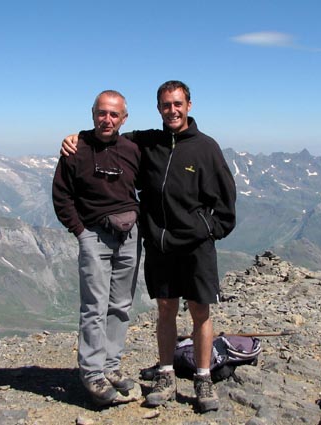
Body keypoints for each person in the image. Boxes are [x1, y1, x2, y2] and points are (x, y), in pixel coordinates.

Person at [61, 80, 236, 412]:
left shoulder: (206, 148)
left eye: (178, 104)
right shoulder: (147, 142)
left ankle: (202, 379)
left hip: (196, 247)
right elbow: (106, 135)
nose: (172, 110)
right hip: (160, 245)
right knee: (166, 309)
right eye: (166, 105)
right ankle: (166, 374)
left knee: (200, 311)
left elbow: (226, 205)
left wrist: (207, 230)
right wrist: (77, 138)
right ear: (158, 108)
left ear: (189, 105)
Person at [52, 90, 141, 406]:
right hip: (95, 235)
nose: (107, 119)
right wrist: (81, 232)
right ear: (93, 114)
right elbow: (61, 195)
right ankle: (92, 374)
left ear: (123, 119)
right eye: (102, 113)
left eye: (114, 114)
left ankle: (110, 366)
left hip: (130, 236)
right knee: (94, 306)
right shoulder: (76, 149)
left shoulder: (132, 149)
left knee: (120, 304)